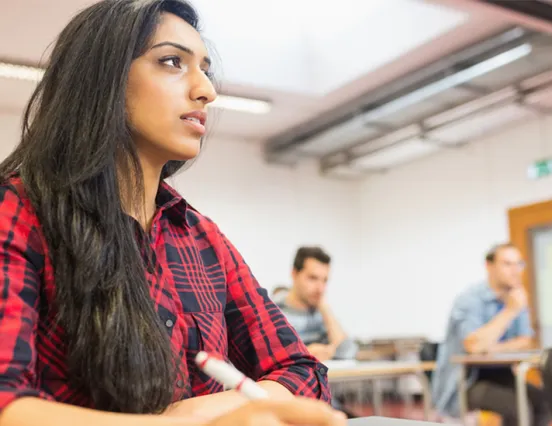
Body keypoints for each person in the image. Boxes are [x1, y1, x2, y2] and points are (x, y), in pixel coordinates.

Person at [0, 2, 345, 426]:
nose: (207, 91)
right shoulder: (17, 210)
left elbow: (303, 369)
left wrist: (224, 407)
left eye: (205, 68)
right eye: (172, 62)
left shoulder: (201, 238)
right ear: (102, 79)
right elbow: (6, 403)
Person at [432, 243, 551, 426]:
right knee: (517, 407)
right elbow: (474, 346)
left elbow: (525, 341)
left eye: (519, 264)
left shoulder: (515, 296)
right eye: (507, 264)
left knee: (544, 401)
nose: (515, 270)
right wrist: (510, 311)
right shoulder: (470, 299)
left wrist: (492, 347)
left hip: (502, 376)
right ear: (489, 266)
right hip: (466, 381)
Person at [275, 247, 358, 362]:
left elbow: (348, 352)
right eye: (313, 278)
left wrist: (325, 308)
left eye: (324, 280)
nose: (320, 288)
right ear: (294, 274)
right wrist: (305, 354)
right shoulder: (273, 312)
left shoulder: (321, 314)